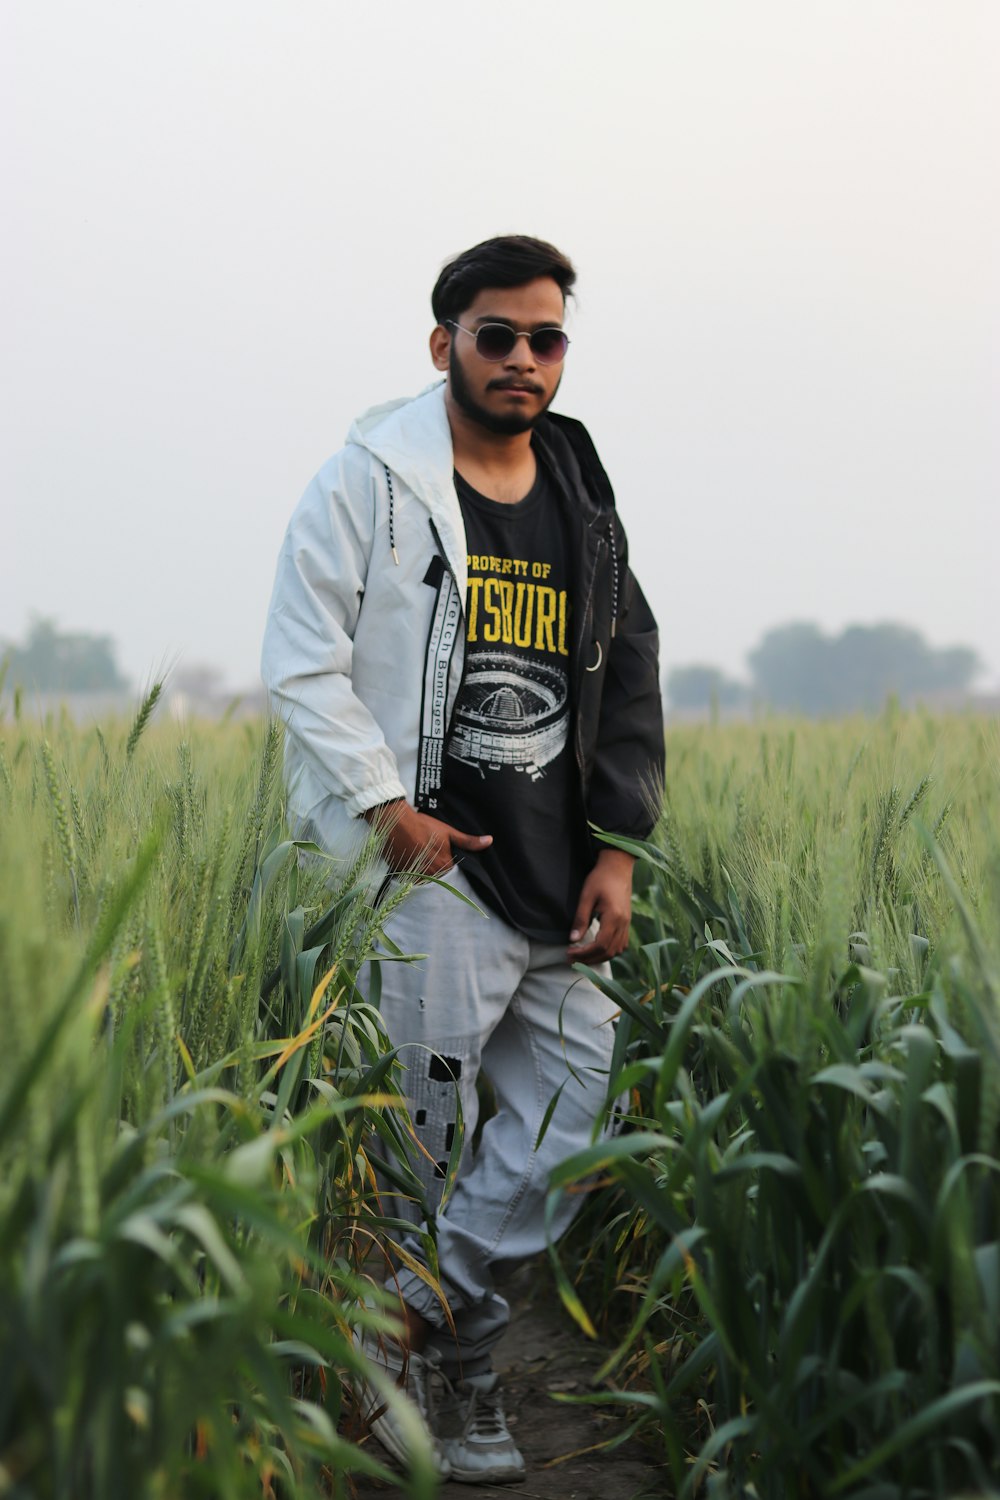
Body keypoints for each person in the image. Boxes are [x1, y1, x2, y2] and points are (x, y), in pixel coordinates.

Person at [261, 235, 664, 1483]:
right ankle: (455, 1381)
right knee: (419, 1148)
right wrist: (389, 808)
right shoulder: (367, 485)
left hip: (559, 874)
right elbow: (299, 661)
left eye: (547, 339)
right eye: (499, 335)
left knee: (571, 1121)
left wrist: (620, 846)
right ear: (445, 344)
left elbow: (628, 665)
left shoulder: (580, 494)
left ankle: (406, 1321)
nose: (525, 360)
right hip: (432, 874)